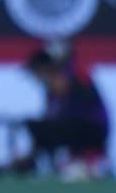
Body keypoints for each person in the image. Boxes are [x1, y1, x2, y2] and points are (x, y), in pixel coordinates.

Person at [19, 43, 110, 180]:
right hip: (74, 128)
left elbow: (83, 101)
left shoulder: (77, 75)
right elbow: (50, 116)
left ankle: (90, 161)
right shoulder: (51, 89)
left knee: (64, 125)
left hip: (93, 129)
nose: (37, 78)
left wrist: (63, 86)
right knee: (38, 126)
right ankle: (46, 164)